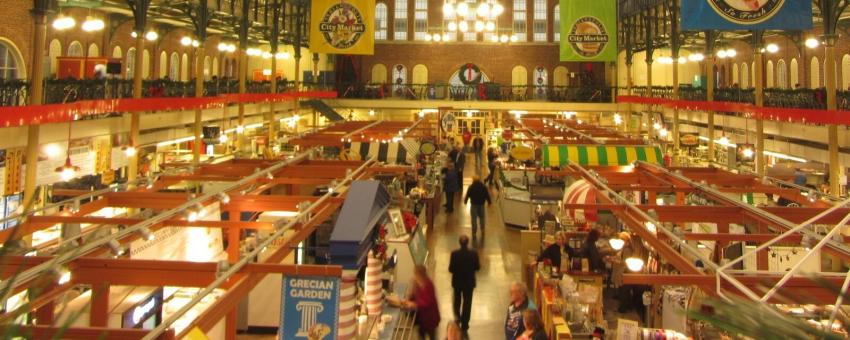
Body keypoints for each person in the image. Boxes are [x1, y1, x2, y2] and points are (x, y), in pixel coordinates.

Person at [449, 235, 480, 332]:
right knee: (467, 302)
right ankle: (465, 323)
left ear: (459, 243)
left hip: (457, 282)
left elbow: (451, 269)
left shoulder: (454, 254)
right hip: (469, 282)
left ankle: (457, 317)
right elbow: (477, 267)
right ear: (468, 242)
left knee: (457, 300)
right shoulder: (474, 253)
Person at [404, 265, 441, 340]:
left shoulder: (428, 285)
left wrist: (415, 304)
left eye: (416, 274)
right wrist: (409, 298)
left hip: (430, 318)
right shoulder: (417, 283)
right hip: (422, 319)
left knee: (432, 336)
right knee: (421, 334)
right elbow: (414, 294)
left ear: (420, 274)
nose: (414, 276)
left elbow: (428, 301)